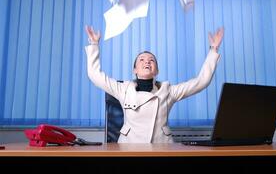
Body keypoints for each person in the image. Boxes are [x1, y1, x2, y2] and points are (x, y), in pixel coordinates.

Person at [85, 25, 224, 143]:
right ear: (134, 70)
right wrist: (94, 45)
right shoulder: (123, 89)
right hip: (129, 148)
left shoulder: (168, 91)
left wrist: (213, 50)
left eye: (151, 60)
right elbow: (95, 75)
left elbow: (201, 82)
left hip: (161, 147)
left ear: (156, 70)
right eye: (142, 60)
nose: (147, 62)